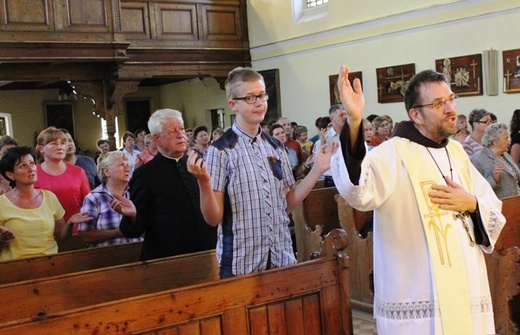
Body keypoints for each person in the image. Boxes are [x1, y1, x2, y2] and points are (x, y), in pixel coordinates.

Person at [332, 65, 505, 335]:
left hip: (464, 296)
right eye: (439, 103)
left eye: (451, 99)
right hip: (419, 299)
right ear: (416, 114)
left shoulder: (457, 153)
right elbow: (357, 190)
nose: (451, 108)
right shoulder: (391, 154)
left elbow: (490, 207)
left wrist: (471, 204)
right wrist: (355, 120)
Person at [186, 67, 337, 279]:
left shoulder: (276, 147)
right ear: (233, 104)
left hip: (281, 257)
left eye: (262, 96)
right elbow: (213, 218)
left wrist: (318, 170)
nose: (259, 103)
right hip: (241, 262)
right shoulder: (221, 151)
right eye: (249, 98)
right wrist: (203, 182)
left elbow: (287, 203)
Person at [115, 109, 218, 260]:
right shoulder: (145, 175)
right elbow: (136, 229)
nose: (181, 135)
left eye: (181, 129)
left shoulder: (199, 165)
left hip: (208, 252)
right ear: (156, 139)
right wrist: (133, 216)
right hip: (168, 258)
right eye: (172, 131)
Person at [0, 146, 91, 260]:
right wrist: (2, 238)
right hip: (15, 267)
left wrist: (70, 223)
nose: (31, 169)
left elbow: (60, 235)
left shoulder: (49, 197)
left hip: (49, 263)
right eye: (23, 166)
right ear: (10, 175)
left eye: (32, 163)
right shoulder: (2, 203)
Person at [78, 151, 143, 247]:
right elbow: (85, 235)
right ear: (106, 171)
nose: (127, 169)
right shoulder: (94, 198)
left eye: (127, 165)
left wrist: (134, 217)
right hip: (107, 256)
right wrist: (119, 232)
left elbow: (149, 227)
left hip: (138, 252)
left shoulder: (136, 194)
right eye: (121, 165)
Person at [35, 127, 90, 226]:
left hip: (76, 229)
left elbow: (88, 202)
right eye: (54, 143)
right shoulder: (33, 173)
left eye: (62, 143)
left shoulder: (78, 172)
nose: (60, 147)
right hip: (45, 230)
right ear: (41, 149)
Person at [471, 123, 520, 198]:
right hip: (498, 206)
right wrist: (493, 179)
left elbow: (514, 184)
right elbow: (476, 190)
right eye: (506, 138)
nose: (509, 141)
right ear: (495, 141)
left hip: (517, 203)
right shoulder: (478, 159)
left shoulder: (506, 155)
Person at [312, 104, 347, 186]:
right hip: (331, 181)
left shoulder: (351, 136)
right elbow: (317, 161)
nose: (345, 117)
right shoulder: (324, 138)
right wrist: (322, 144)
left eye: (346, 114)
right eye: (341, 115)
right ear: (332, 119)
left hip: (347, 179)